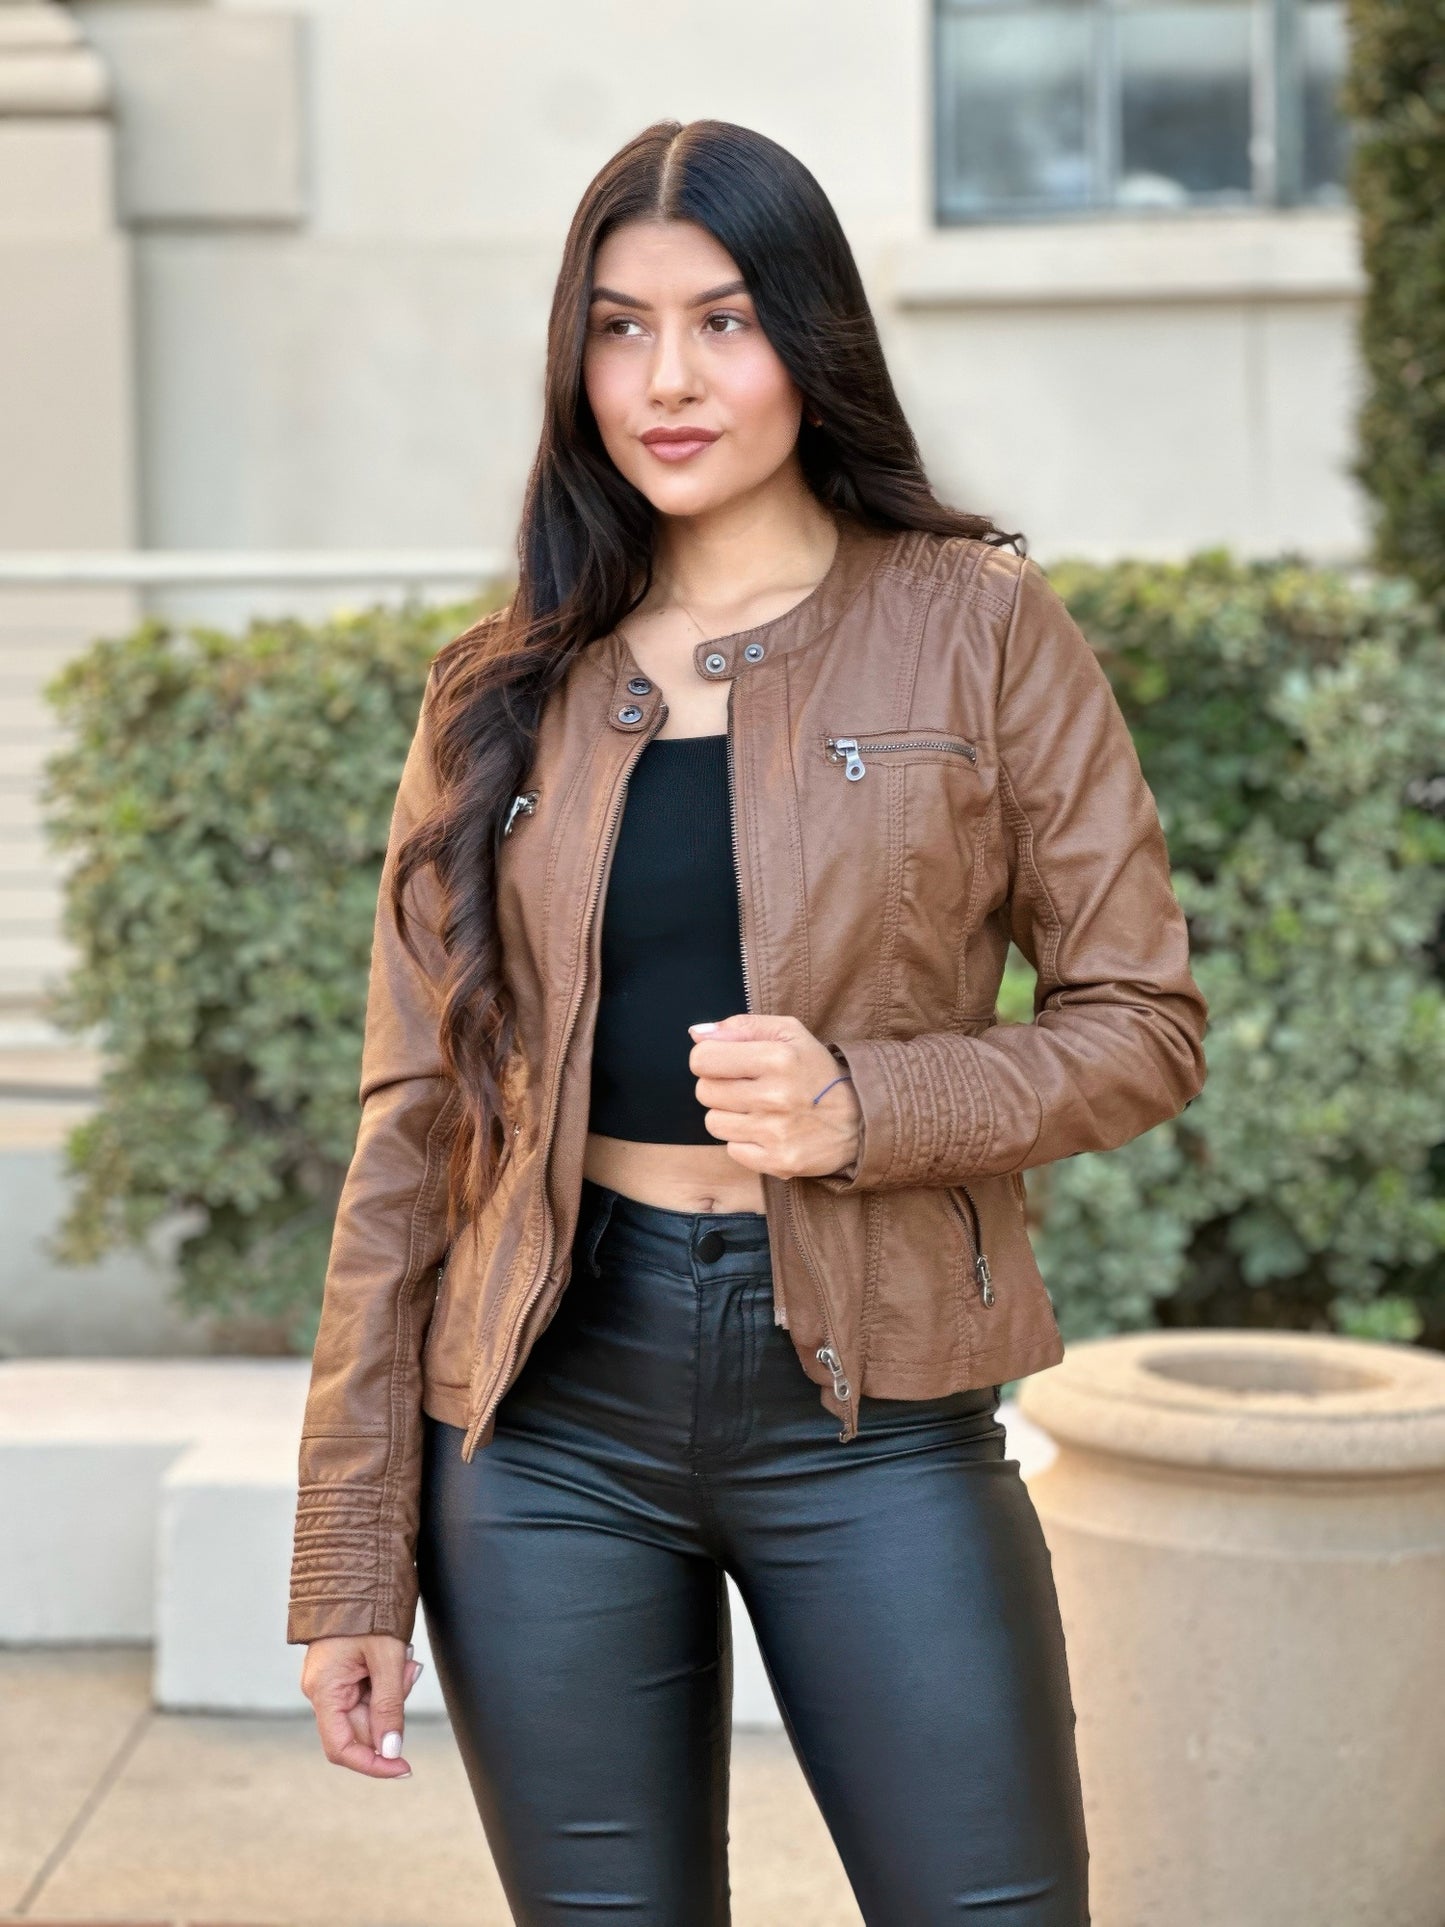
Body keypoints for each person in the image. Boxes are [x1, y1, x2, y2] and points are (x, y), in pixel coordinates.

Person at [287, 117, 1208, 1924]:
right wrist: (346, 1565)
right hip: (544, 1416)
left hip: (870, 1406)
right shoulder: (498, 691)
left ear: (809, 333)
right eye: (620, 329)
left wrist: (871, 1103)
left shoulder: (976, 629)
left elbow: (1140, 1022)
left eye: (720, 320)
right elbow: (415, 1121)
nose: (667, 380)